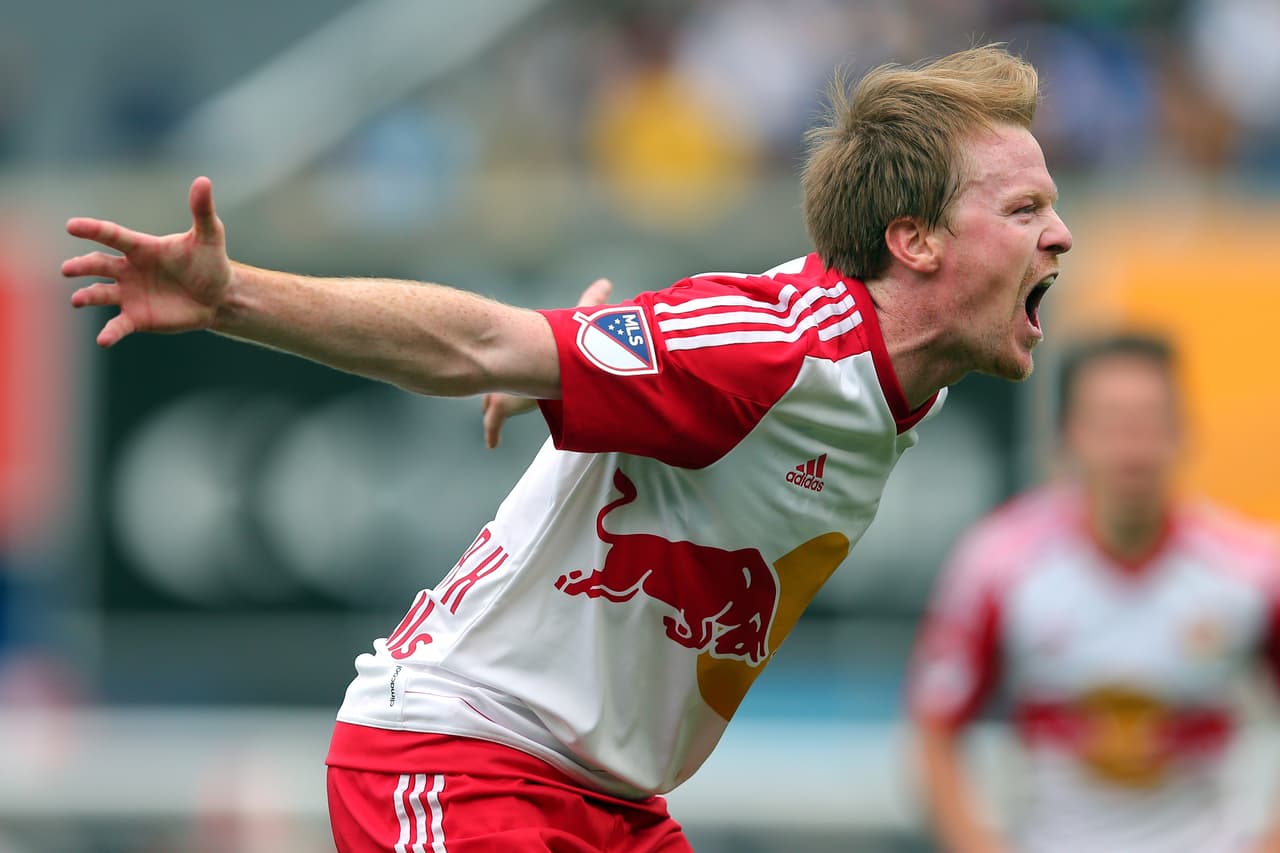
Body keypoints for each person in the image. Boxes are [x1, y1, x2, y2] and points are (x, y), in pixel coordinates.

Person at [63, 44, 1071, 853]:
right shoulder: (775, 355)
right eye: (1023, 209)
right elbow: (478, 343)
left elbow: (680, 342)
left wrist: (576, 367)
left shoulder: (892, 375)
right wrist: (231, 297)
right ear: (914, 241)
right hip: (458, 758)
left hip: (611, 806)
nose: (1058, 235)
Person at [909, 334, 1280, 853]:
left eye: (1149, 422)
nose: (1132, 447)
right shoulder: (998, 565)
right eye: (1111, 423)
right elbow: (934, 729)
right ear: (1067, 436)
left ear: (1183, 431)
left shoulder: (1251, 568)